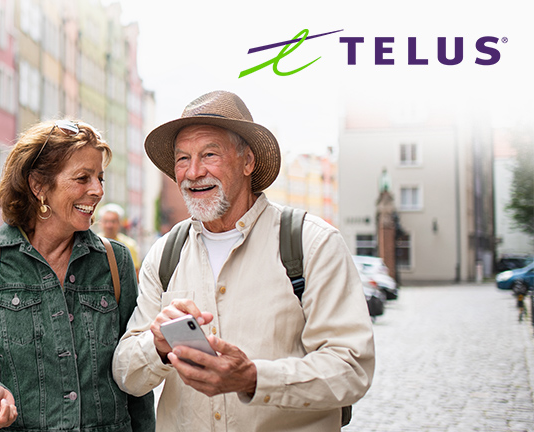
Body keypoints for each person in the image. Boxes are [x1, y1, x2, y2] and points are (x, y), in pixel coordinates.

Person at [112, 91, 375, 431]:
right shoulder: (166, 253)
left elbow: (352, 369)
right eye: (182, 159)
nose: (193, 172)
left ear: (248, 161)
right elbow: (126, 374)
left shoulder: (311, 242)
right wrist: (157, 345)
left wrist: (253, 378)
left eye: (210, 154)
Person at [0, 120, 155, 432]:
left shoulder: (115, 261)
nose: (97, 190)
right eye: (82, 178)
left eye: (99, 177)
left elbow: (134, 373)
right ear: (39, 186)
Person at [97, 203, 141, 274]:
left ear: (120, 223)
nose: (109, 225)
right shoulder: (93, 243)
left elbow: (135, 273)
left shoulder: (130, 245)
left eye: (113, 221)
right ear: (100, 222)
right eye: (106, 221)